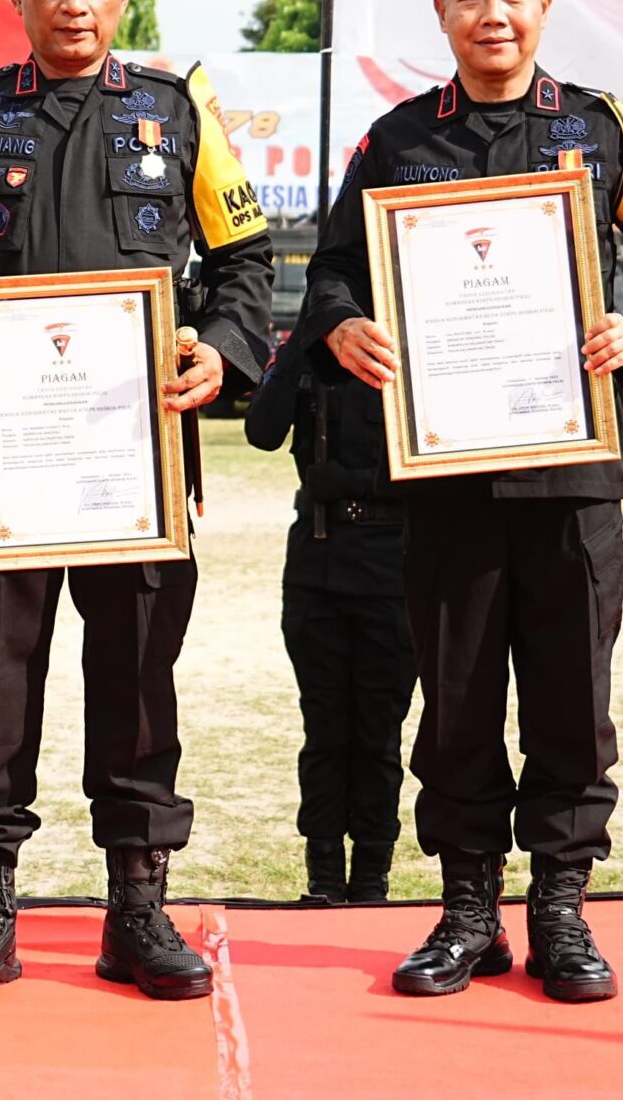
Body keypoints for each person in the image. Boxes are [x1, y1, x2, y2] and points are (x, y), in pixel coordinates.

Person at [297, 0, 623, 1004]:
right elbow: (333, 275)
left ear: (543, 10)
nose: (492, 16)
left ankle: (561, 912)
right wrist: (343, 329)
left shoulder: (604, 128)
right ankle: (468, 913)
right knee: (460, 697)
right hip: (445, 479)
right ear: (440, 14)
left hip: (572, 474)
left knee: (573, 698)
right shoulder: (394, 141)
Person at [0, 0, 274, 1008]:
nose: (74, 4)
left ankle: (136, 907)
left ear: (122, 1)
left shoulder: (177, 112)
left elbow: (246, 262)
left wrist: (223, 350)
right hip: (9, 468)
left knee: (139, 677)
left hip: (139, 460)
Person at [245, 345, 412, 905]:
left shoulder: (411, 351)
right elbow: (262, 432)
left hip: (394, 565)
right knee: (324, 732)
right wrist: (299, 352)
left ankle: (371, 880)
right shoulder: (311, 359)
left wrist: (356, 483)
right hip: (318, 564)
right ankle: (322, 880)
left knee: (377, 736)